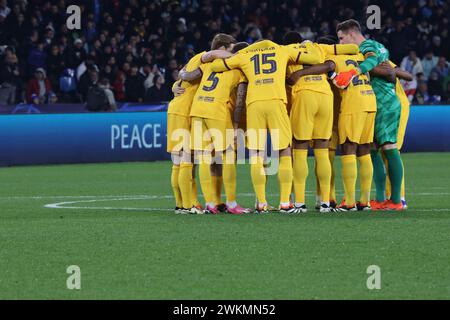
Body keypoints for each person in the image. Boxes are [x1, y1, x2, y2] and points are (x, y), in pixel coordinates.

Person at [210, 38, 324, 213]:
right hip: (276, 101)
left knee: (257, 153)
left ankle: (261, 203)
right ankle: (285, 202)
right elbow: (315, 59)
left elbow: (216, 67)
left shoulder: (245, 54)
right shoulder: (282, 50)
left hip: (254, 104)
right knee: (284, 149)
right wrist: (306, 45)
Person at [289, 36, 376, 212]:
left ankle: (301, 202)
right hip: (348, 100)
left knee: (301, 147)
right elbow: (352, 48)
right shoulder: (353, 55)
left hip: (336, 102)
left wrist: (299, 73)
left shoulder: (288, 51)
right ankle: (328, 203)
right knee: (360, 150)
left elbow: (329, 66)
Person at [334, 19, 405, 211]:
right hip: (374, 102)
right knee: (372, 149)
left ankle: (396, 200)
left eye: (342, 38)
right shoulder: (378, 45)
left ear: (351, 34)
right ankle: (380, 198)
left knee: (389, 148)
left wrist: (354, 71)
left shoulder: (367, 45)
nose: (340, 43)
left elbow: (372, 60)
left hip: (386, 103)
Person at [166, 33, 237, 214]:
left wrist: (176, 83)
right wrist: (237, 56)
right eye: (229, 49)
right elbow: (206, 59)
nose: (230, 53)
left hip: (184, 109)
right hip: (184, 110)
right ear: (222, 48)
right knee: (185, 159)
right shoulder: (204, 58)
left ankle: (185, 204)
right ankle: (187, 204)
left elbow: (182, 77)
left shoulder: (198, 62)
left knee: (183, 160)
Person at [179, 41, 250, 215]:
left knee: (203, 156)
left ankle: (210, 203)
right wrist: (235, 124)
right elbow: (240, 101)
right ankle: (231, 203)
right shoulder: (241, 69)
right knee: (228, 155)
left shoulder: (211, 64)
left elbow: (188, 76)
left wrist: (180, 74)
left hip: (197, 109)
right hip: (216, 110)